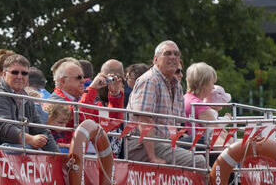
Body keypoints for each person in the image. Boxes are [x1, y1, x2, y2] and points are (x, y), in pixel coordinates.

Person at [125, 40, 202, 169]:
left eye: (176, 54)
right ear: (155, 60)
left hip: (164, 144)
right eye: (167, 53)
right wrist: (152, 157)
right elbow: (144, 120)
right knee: (198, 161)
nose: (173, 57)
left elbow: (176, 126)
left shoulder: (176, 85)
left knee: (209, 152)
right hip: (141, 145)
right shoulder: (150, 81)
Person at [0, 54, 60, 151]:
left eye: (24, 73)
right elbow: (4, 127)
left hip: (16, 148)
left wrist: (58, 157)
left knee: (38, 151)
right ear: (4, 74)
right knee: (30, 149)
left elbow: (40, 129)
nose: (19, 76)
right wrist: (30, 139)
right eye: (15, 72)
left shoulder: (26, 99)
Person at [80, 59, 128, 136]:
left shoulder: (99, 105)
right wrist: (92, 88)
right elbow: (81, 116)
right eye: (79, 77)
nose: (83, 81)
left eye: (121, 85)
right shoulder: (60, 101)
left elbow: (113, 123)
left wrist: (115, 95)